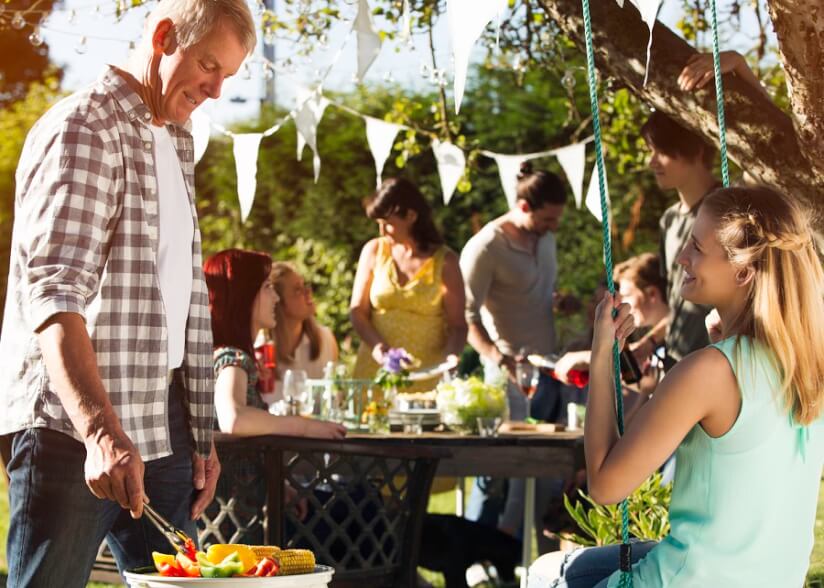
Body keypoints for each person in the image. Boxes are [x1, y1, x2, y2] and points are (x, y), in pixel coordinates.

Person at [0, 2, 256, 585]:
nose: (215, 91)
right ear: (164, 38)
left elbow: (183, 298)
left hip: (160, 419)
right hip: (76, 426)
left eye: (228, 77)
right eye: (208, 66)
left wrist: (200, 433)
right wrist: (99, 433)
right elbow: (54, 293)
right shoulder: (84, 129)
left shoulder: (176, 139)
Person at [534, 186, 824, 587]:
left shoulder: (709, 371)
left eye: (696, 248)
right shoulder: (808, 365)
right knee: (568, 568)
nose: (681, 259)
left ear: (742, 272)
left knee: (545, 574)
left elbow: (604, 485)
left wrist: (604, 355)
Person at [460, 162, 567, 547]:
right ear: (523, 206)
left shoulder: (547, 238)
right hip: (506, 375)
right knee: (494, 475)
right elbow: (465, 315)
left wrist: (561, 303)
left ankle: (520, 557)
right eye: (547, 219)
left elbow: (535, 294)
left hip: (550, 372)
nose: (552, 227)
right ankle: (471, 554)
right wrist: (496, 357)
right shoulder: (485, 247)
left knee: (542, 474)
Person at [204, 249, 346, 440]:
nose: (276, 298)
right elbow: (234, 419)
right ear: (245, 295)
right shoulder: (232, 360)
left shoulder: (231, 356)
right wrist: (305, 427)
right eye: (267, 287)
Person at [351, 177, 467, 392]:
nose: (382, 232)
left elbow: (458, 325)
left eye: (388, 224)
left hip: (426, 375)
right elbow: (357, 311)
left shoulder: (446, 261)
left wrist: (451, 361)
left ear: (411, 216)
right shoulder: (374, 250)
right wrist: (378, 348)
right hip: (376, 371)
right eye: (379, 225)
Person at [631, 111, 718, 372]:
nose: (651, 162)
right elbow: (678, 303)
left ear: (697, 150)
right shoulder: (668, 220)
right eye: (650, 150)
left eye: (661, 151)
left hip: (716, 366)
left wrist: (736, 67)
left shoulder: (731, 207)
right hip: (675, 365)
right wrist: (646, 345)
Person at [271, 261, 339, 389]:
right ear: (278, 302)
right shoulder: (261, 351)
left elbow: (336, 397)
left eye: (304, 285)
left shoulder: (326, 339)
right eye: (297, 290)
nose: (308, 292)